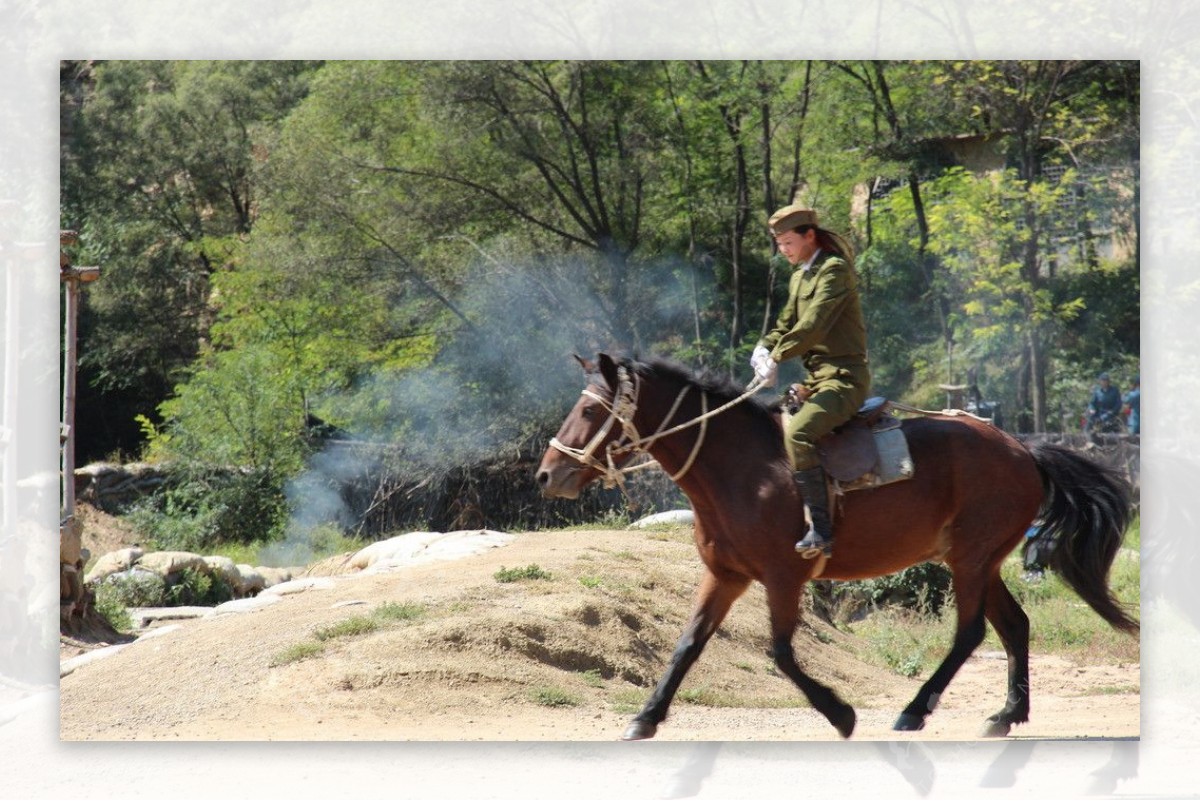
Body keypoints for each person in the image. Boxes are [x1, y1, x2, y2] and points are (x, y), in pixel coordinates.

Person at [750, 204, 869, 559]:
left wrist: (778, 356)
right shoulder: (800, 275)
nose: (783, 250)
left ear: (809, 235)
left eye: (788, 242)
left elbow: (813, 324)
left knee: (799, 433)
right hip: (815, 380)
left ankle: (822, 530)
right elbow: (787, 321)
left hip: (844, 380)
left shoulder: (835, 271)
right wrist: (763, 347)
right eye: (779, 244)